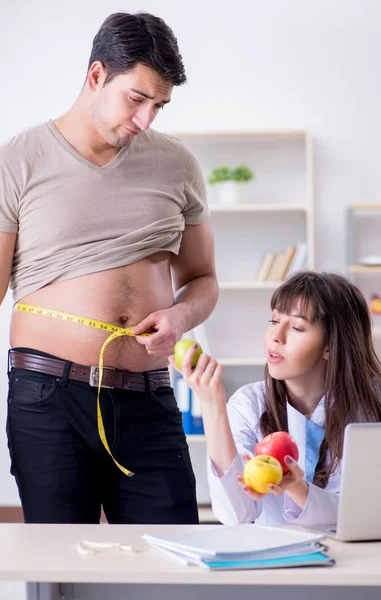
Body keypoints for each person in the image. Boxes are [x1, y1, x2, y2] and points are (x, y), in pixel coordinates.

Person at [0, 12, 218, 524]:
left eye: (159, 106)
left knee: (172, 565)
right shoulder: (18, 160)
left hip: (149, 396)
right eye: (137, 99)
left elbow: (203, 280)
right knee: (61, 572)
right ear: (96, 75)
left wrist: (180, 319)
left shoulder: (178, 163)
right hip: (48, 399)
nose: (145, 120)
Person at [171, 271, 381, 526]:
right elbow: (236, 515)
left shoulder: (375, 399)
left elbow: (370, 511)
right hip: (271, 560)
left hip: (354, 558)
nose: (276, 336)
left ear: (330, 346)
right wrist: (212, 405)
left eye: (297, 327)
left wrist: (297, 488)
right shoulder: (249, 404)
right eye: (273, 320)